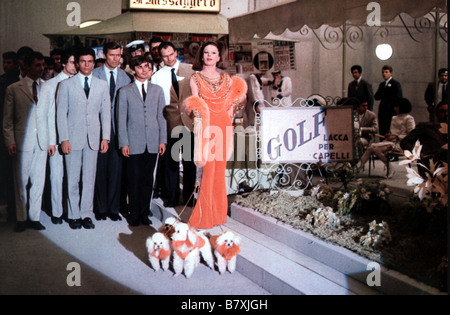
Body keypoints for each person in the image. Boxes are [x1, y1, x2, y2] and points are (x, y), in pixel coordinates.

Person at [185, 41, 247, 229]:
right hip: (207, 126)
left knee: (220, 170)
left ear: (219, 57)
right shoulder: (195, 78)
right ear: (201, 56)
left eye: (213, 52)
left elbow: (235, 102)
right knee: (208, 171)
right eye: (206, 52)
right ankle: (204, 216)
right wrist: (198, 123)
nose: (210, 56)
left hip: (224, 125)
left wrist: (232, 112)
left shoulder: (227, 78)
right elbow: (195, 104)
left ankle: (218, 214)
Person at [56, 47, 111, 230]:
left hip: (93, 138)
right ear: (77, 63)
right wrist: (63, 138)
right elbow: (61, 114)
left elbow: (106, 114)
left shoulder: (102, 85)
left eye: (90, 61)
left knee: (89, 178)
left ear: (94, 63)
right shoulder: (66, 85)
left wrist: (106, 137)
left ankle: (86, 214)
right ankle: (73, 215)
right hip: (72, 138)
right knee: (72, 178)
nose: (86, 64)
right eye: (83, 61)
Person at [3, 51, 56, 232]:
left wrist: (52, 142)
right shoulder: (14, 89)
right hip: (22, 143)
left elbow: (51, 116)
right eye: (37, 65)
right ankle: (21, 218)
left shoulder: (47, 88)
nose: (42, 69)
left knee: (38, 181)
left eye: (43, 65)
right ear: (26, 66)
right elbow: (7, 121)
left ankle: (34, 217)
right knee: (21, 182)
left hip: (42, 141)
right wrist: (10, 141)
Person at [117, 55, 167, 227]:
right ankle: (134, 213)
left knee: (147, 179)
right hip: (133, 142)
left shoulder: (157, 90)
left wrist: (162, 140)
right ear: (133, 70)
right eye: (140, 67)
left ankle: (145, 212)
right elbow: (121, 119)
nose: (144, 70)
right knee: (134, 178)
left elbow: (162, 117)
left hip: (152, 142)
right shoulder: (124, 91)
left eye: (147, 66)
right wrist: (124, 142)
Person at [151, 41, 196, 208]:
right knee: (171, 161)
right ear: (160, 57)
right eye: (165, 56)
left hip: (189, 122)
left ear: (176, 53)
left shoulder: (190, 70)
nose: (169, 59)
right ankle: (172, 197)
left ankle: (190, 196)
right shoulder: (157, 76)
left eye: (171, 54)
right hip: (170, 123)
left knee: (189, 161)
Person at [92, 42, 132, 222]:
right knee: (100, 169)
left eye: (118, 55)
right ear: (104, 55)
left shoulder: (126, 77)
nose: (115, 59)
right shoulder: (94, 74)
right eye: (111, 55)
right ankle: (100, 208)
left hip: (118, 129)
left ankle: (114, 208)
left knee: (117, 171)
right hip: (99, 128)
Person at [40, 49, 78, 225]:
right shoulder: (50, 84)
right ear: (63, 64)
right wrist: (50, 141)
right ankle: (56, 212)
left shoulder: (79, 83)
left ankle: (72, 211)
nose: (75, 65)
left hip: (74, 138)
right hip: (55, 138)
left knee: (73, 177)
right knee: (56, 176)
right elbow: (47, 114)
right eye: (72, 62)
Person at [356, 98, 415, 178]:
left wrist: (396, 137)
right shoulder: (394, 118)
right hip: (389, 142)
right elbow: (392, 132)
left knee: (372, 148)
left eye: (396, 106)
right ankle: (389, 167)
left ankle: (357, 168)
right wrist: (389, 135)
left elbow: (412, 135)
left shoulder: (409, 118)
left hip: (401, 143)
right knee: (371, 148)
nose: (394, 108)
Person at [401, 101, 448, 174]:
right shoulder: (426, 127)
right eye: (442, 112)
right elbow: (405, 142)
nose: (446, 114)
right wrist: (417, 154)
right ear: (437, 114)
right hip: (431, 167)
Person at [0, 52, 20, 217]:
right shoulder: (2, 81)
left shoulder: (20, 82)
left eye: (8, 62)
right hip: (5, 131)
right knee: (7, 173)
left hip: (19, 129)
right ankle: (11, 208)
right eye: (4, 62)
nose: (6, 65)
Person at [374, 65, 403, 137]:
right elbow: (376, 96)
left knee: (390, 129)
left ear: (391, 73)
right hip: (383, 110)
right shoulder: (382, 84)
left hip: (391, 110)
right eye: (383, 72)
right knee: (382, 129)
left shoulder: (395, 84)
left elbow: (398, 97)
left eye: (386, 72)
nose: (384, 74)